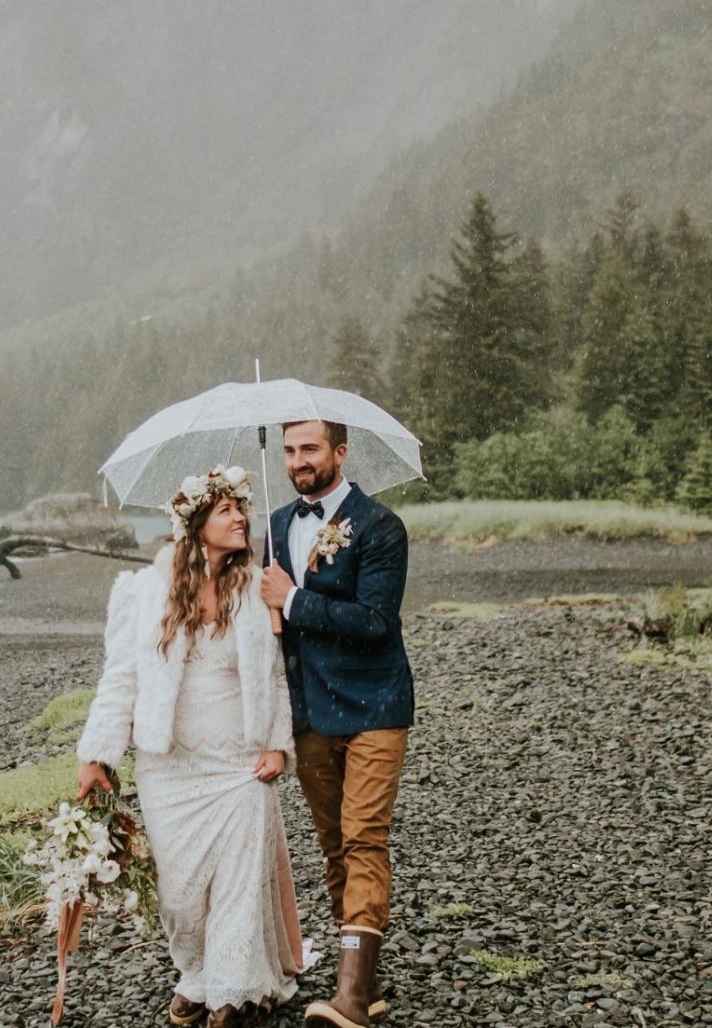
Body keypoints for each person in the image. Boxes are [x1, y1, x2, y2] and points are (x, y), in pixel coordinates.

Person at [76, 466, 304, 1027]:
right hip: (169, 765)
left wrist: (278, 745)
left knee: (239, 880)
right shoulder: (145, 589)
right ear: (196, 523)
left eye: (240, 509)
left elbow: (276, 676)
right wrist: (97, 752)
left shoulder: (257, 587)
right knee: (181, 892)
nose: (239, 517)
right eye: (225, 509)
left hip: (240, 761)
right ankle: (196, 974)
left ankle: (228, 990)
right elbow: (121, 676)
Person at [260, 420, 413, 1028]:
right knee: (332, 846)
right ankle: (364, 982)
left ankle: (350, 998)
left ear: (339, 453)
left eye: (311, 449)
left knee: (363, 836)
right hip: (309, 711)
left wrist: (292, 599)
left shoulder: (380, 527)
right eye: (292, 450)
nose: (299, 460)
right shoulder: (273, 529)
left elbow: (374, 619)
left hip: (375, 703)